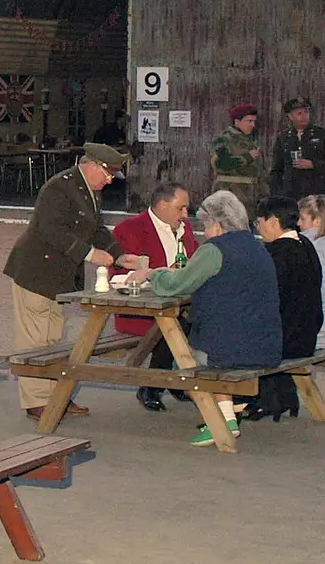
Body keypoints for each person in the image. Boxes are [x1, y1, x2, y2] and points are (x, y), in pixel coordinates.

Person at [3, 142, 145, 420]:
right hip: (35, 271)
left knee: (53, 339)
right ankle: (36, 401)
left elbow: (95, 228)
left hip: (58, 276)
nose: (109, 180)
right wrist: (91, 254)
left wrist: (118, 255)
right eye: (106, 174)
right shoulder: (59, 188)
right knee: (35, 341)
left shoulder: (88, 189)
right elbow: (51, 230)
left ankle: (56, 398)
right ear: (92, 164)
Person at [128, 191, 281, 446]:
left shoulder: (215, 250)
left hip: (231, 350)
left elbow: (177, 286)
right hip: (267, 344)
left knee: (187, 358)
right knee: (216, 343)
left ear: (217, 225)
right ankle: (229, 410)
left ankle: (223, 420)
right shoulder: (257, 246)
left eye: (206, 225)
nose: (204, 232)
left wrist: (152, 274)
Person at [110, 184, 198, 412]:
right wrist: (161, 275)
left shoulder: (183, 227)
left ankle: (171, 379)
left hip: (179, 303)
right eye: (181, 208)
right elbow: (120, 278)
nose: (186, 215)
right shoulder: (129, 229)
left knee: (201, 316)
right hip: (143, 308)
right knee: (176, 324)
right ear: (162, 205)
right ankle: (155, 384)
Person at [251, 196, 323, 420]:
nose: (258, 226)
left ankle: (262, 398)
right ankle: (285, 396)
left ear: (273, 222)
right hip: (307, 334)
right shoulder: (306, 245)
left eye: (259, 221)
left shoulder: (276, 254)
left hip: (286, 340)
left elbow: (266, 300)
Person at [211, 103, 267, 221]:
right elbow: (220, 165)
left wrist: (264, 193)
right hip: (230, 195)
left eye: (254, 121)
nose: (253, 125)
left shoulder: (249, 141)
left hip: (250, 197)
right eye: (249, 121)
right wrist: (247, 157)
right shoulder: (223, 140)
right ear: (237, 121)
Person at [271, 97, 325, 199]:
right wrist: (277, 194)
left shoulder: (321, 134)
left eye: (306, 112)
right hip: (290, 194)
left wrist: (313, 164)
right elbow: (276, 170)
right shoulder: (284, 138)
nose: (304, 116)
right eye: (299, 113)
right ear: (290, 116)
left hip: (317, 195)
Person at [299, 195, 325, 347]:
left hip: (317, 335)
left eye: (302, 219)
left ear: (318, 221)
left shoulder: (307, 247)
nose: (298, 224)